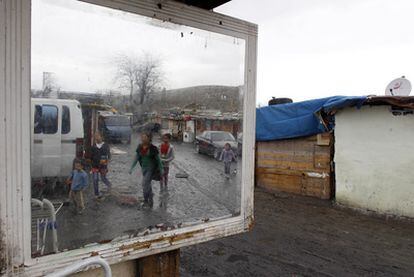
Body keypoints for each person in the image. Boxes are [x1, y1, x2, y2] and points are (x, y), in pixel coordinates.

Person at [129, 132, 163, 208]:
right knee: (147, 184)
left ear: (149, 138)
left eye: (144, 137)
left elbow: (158, 160)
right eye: (142, 137)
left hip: (151, 168)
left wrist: (161, 168)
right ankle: (150, 197)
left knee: (144, 184)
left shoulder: (153, 148)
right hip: (143, 168)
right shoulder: (140, 147)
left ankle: (145, 200)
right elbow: (136, 158)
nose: (143, 139)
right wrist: (132, 167)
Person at [91, 132, 112, 199]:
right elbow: (91, 156)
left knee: (103, 178)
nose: (97, 137)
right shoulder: (93, 146)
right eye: (95, 136)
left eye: (98, 136)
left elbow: (108, 155)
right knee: (95, 179)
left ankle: (110, 186)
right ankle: (96, 194)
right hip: (95, 165)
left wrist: (108, 160)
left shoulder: (105, 145)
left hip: (103, 165)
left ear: (101, 137)